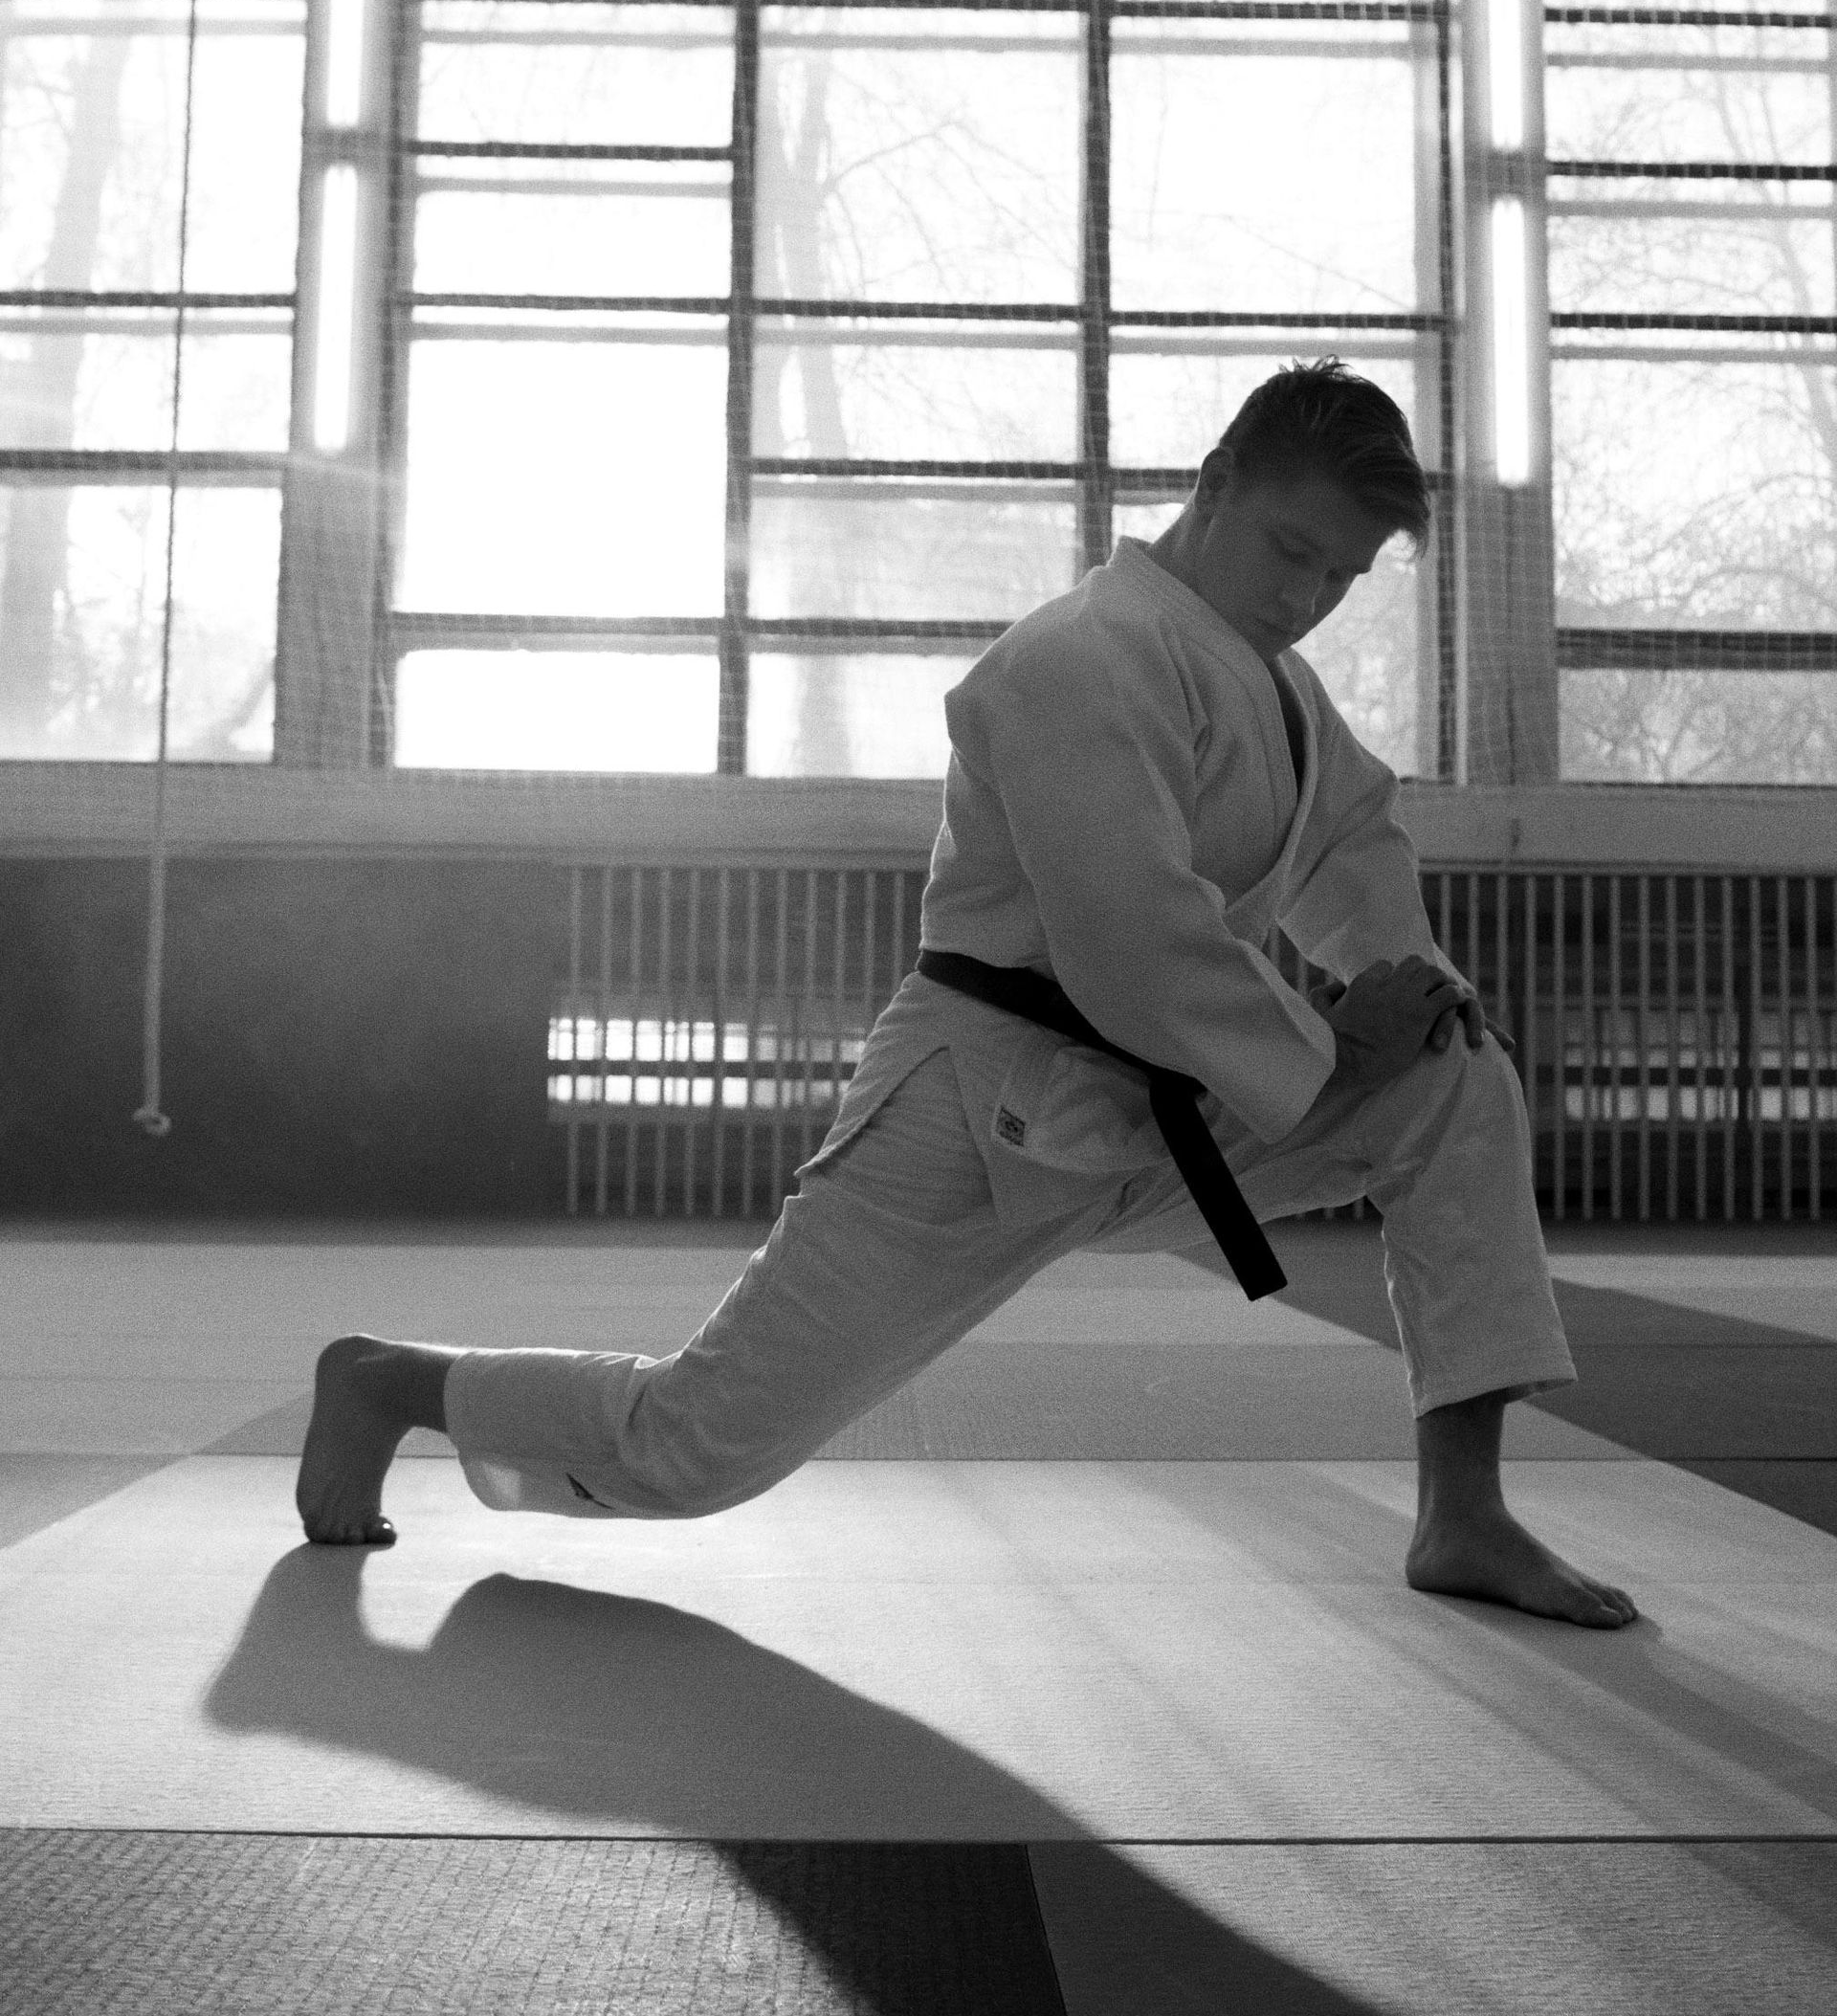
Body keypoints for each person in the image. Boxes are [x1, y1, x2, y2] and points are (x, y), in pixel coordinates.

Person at [299, 360, 1637, 1630]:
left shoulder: (1276, 685)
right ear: (1217, 480)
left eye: (1343, 575)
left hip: (1164, 1106)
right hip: (975, 1113)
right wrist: (1335, 1053)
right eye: (1293, 550)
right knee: (694, 1448)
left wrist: (1417, 989)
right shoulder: (1080, 655)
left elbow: (1352, 838)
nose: (1310, 596)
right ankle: (388, 1382)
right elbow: (1135, 944)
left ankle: (1464, 1514)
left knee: (1456, 1075)